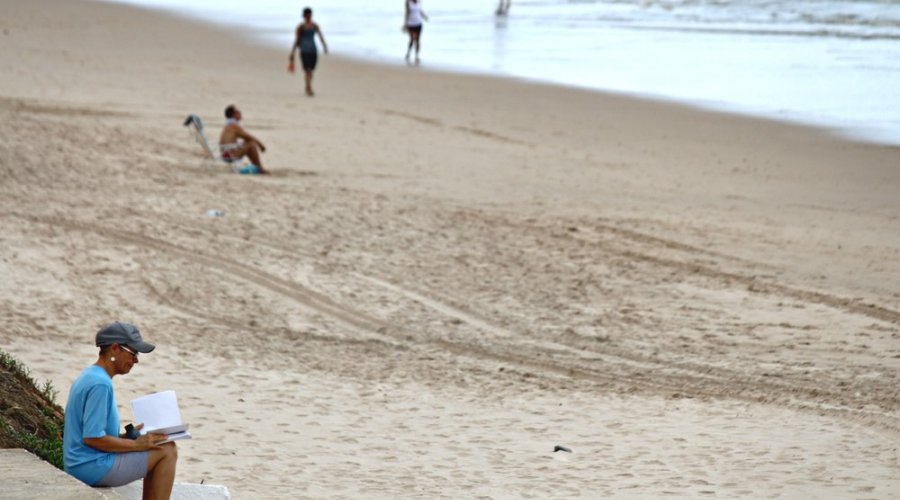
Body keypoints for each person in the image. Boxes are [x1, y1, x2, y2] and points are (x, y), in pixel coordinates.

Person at [63, 322, 177, 499]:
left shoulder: (90, 375)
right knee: (168, 450)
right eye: (133, 353)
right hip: (90, 466)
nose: (136, 360)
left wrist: (126, 437)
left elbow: (91, 433)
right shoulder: (101, 384)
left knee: (158, 443)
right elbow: (92, 438)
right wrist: (137, 445)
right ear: (115, 349)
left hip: (80, 463)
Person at [218, 104, 269, 174]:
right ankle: (260, 168)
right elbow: (250, 137)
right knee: (252, 143)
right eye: (238, 112)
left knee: (248, 143)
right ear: (234, 114)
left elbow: (246, 138)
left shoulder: (228, 125)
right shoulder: (234, 126)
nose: (240, 113)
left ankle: (258, 167)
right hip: (229, 155)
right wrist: (261, 146)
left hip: (225, 153)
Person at [289, 7, 328, 97]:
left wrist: (324, 46)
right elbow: (297, 40)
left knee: (311, 70)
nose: (309, 16)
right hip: (304, 50)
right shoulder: (301, 27)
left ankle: (308, 86)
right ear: (305, 15)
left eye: (310, 14)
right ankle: (309, 87)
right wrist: (292, 52)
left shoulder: (315, 26)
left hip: (313, 50)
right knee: (307, 70)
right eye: (308, 14)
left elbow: (320, 36)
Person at [404, 0, 429, 64]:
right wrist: (405, 23)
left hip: (418, 23)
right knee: (412, 39)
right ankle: (408, 53)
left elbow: (420, 11)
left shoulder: (419, 2)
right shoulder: (408, 2)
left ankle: (417, 56)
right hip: (410, 24)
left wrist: (425, 16)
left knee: (418, 40)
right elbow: (407, 13)